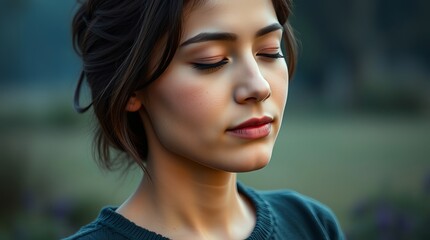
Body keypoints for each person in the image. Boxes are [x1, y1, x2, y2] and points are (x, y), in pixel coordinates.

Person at [65, 0, 344, 239]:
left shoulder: (312, 226)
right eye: (212, 60)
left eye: (269, 51)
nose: (259, 86)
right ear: (129, 87)